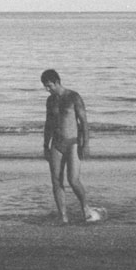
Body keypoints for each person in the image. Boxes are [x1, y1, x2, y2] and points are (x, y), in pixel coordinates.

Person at [41, 69, 101, 223]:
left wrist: (86, 144)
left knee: (73, 180)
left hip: (73, 142)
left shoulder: (73, 97)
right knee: (56, 180)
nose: (47, 89)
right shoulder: (50, 101)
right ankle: (63, 216)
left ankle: (85, 208)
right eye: (45, 87)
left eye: (49, 86)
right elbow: (48, 124)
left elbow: (84, 122)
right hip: (56, 143)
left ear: (57, 82)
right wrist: (45, 146)